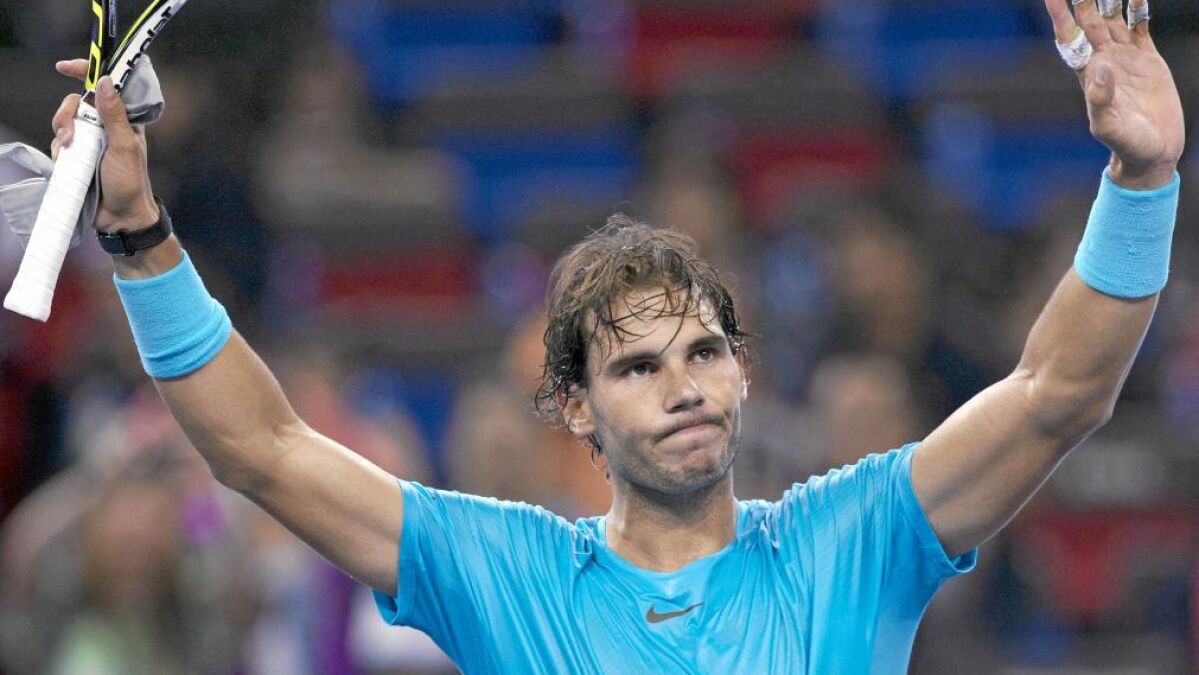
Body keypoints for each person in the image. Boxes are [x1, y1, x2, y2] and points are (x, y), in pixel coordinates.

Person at [40, 0, 1184, 671]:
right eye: (636, 367)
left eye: (702, 353)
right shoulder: (507, 572)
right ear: (574, 408)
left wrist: (1140, 179)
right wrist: (137, 236)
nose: (682, 385)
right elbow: (263, 450)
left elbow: (1056, 394)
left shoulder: (854, 537)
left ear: (742, 373)